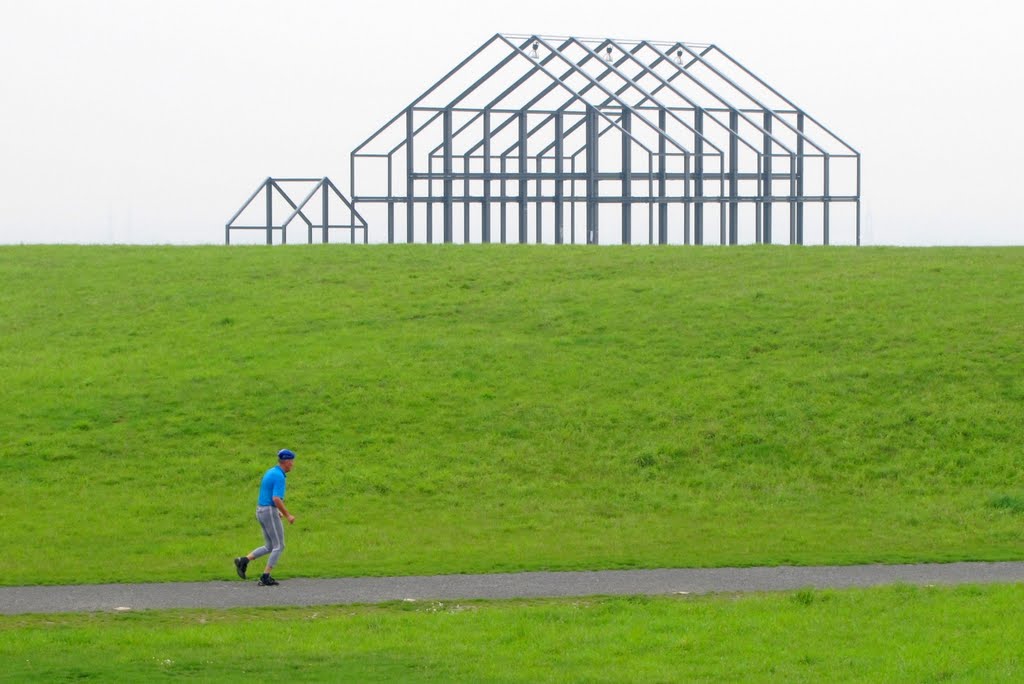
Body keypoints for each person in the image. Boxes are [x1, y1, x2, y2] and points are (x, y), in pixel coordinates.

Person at [234, 449, 297, 586]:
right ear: (286, 462)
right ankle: (265, 576)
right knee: (279, 545)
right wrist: (287, 515)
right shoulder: (279, 476)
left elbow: (267, 494)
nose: (292, 464)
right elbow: (276, 498)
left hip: (261, 510)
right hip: (268, 511)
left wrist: (276, 511)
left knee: (270, 546)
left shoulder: (271, 471)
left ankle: (244, 560)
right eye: (291, 461)